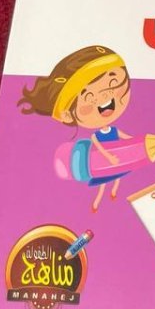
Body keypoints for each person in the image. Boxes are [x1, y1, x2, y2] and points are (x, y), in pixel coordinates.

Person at [18, 45, 134, 212]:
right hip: (102, 162)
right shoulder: (95, 137)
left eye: (114, 82)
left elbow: (127, 137)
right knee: (103, 184)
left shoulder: (114, 130)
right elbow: (98, 146)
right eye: (89, 96)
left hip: (115, 160)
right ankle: (97, 203)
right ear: (67, 115)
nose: (106, 95)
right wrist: (108, 156)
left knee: (116, 179)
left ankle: (112, 194)